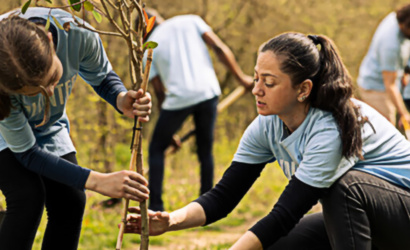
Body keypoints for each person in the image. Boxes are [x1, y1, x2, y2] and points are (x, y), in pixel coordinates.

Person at [125, 32, 410, 250]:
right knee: (275, 244)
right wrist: (171, 220)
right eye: (256, 78)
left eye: (269, 83)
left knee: (344, 189)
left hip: (401, 213)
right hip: (366, 214)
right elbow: (223, 197)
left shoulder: (329, 127)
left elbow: (285, 214)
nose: (256, 90)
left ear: (303, 89)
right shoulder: (267, 125)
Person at [0, 7, 151, 250]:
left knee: (71, 200)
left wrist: (121, 98)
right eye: (34, 93)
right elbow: (27, 153)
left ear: (50, 40)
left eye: (51, 80)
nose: (49, 94)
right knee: (27, 197)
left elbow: (102, 76)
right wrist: (97, 181)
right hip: (3, 128)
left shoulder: (78, 33)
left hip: (49, 126)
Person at [142, 9, 254, 211]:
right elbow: (219, 48)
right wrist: (241, 78)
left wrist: (170, 133)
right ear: (159, 17)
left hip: (177, 101)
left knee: (157, 148)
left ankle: (156, 207)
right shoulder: (191, 21)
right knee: (205, 148)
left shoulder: (148, 49)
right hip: (208, 93)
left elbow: (160, 94)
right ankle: (208, 204)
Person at [358, 3, 410, 125]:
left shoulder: (395, 17)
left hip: (387, 77)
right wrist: (404, 114)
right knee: (386, 130)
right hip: (376, 89)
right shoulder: (391, 46)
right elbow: (390, 85)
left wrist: (405, 71)